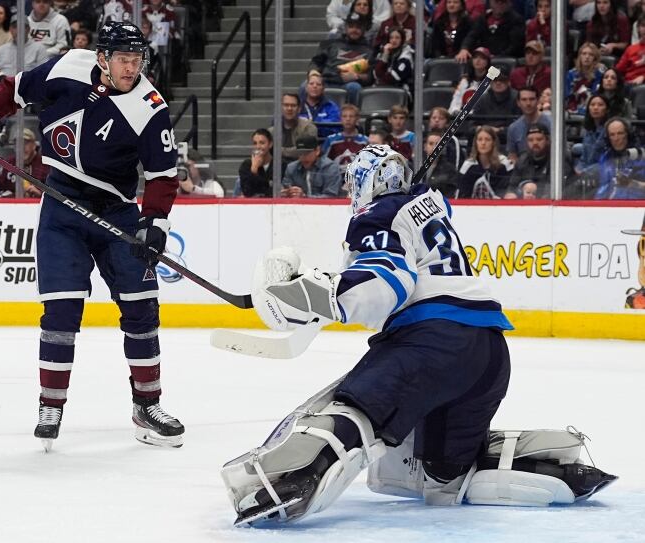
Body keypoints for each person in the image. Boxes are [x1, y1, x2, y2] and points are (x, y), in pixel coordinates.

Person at [221, 143, 617, 525]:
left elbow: (386, 280)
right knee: (441, 476)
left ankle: (286, 483)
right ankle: (552, 468)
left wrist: (315, 292)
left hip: (432, 345)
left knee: (355, 409)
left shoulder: (377, 214)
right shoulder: (428, 207)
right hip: (489, 356)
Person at [0, 22, 185, 448]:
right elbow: (15, 88)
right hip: (62, 206)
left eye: (137, 59)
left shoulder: (150, 105)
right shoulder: (70, 66)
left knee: (141, 310)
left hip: (117, 212)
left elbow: (164, 175)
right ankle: (50, 404)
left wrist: (154, 223)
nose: (133, 67)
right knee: (60, 313)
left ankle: (147, 404)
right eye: (124, 59)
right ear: (101, 58)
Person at [307, 13, 374, 107]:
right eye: (351, 26)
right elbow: (316, 62)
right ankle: (306, 116)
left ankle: (351, 118)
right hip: (325, 81)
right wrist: (313, 73)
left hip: (348, 84)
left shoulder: (369, 50)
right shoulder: (331, 43)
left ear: (363, 29)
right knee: (305, 86)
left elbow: (370, 77)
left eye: (358, 27)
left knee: (354, 87)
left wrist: (357, 76)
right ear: (346, 28)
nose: (354, 30)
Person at [456, 0, 525, 61]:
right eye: (497, 1)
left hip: (505, 60)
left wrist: (497, 57)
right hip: (484, 59)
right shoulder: (483, 19)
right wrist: (464, 48)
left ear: (509, 3)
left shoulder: (516, 20)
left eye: (503, 2)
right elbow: (472, 36)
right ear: (490, 2)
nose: (499, 4)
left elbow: (515, 45)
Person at [594, 117, 645, 199]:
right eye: (612, 135)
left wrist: (632, 183)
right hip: (610, 206)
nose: (616, 138)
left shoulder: (641, 156)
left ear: (628, 134)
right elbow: (602, 188)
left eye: (620, 133)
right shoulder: (605, 158)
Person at [458, 125, 514, 198]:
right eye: (480, 139)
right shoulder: (468, 165)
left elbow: (509, 189)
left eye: (487, 139)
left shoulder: (504, 163)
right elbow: (461, 193)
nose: (483, 143)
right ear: (476, 143)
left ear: (493, 142)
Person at [505, 124, 553, 198]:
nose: (535, 143)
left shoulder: (556, 160)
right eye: (530, 140)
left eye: (539, 139)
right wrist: (511, 194)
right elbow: (512, 186)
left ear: (547, 140)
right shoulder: (522, 160)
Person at [0, 128, 47, 198]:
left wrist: (40, 194)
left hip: (38, 205)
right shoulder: (8, 163)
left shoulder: (45, 164)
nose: (21, 147)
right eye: (18, 144)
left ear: (34, 145)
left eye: (25, 143)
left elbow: (54, 192)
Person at [506, 86, 551, 163]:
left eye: (532, 99)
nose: (528, 103)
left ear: (538, 101)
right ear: (518, 103)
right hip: (523, 170)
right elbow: (512, 155)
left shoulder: (552, 124)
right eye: (524, 100)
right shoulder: (513, 128)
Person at [269, 92, 318, 162]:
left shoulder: (308, 127)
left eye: (293, 105)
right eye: (286, 105)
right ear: (281, 108)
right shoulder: (271, 131)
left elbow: (305, 150)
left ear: (299, 109)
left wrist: (278, 150)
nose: (289, 108)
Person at [322, 103, 368, 174]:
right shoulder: (331, 140)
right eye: (344, 116)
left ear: (357, 119)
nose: (348, 119)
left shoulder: (365, 141)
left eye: (351, 116)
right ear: (340, 119)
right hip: (335, 178)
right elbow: (323, 162)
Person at [239, 128, 282, 197]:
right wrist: (254, 169)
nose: (258, 147)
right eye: (255, 143)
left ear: (270, 144)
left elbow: (275, 192)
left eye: (262, 143)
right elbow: (247, 192)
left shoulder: (280, 164)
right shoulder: (246, 165)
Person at [448, 46, 491, 115]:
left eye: (482, 58)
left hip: (481, 118)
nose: (478, 60)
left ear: (487, 62)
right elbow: (456, 100)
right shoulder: (464, 81)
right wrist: (455, 111)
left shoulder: (491, 82)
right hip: (462, 118)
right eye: (475, 57)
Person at [565, 43, 605, 116]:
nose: (587, 57)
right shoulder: (571, 74)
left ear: (595, 58)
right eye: (584, 54)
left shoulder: (600, 74)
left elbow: (596, 94)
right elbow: (566, 94)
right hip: (571, 109)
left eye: (591, 54)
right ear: (579, 56)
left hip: (592, 110)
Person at [299, 73, 342, 139]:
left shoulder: (331, 106)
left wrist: (310, 124)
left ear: (323, 89)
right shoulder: (297, 105)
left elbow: (335, 128)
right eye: (311, 84)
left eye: (318, 84)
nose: (315, 86)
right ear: (306, 87)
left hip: (324, 142)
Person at [372, 26, 413, 91]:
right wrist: (385, 55)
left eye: (397, 38)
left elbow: (393, 79)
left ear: (402, 40)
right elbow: (376, 74)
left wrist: (381, 77)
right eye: (391, 38)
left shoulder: (406, 55)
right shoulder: (385, 51)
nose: (394, 40)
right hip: (383, 88)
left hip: (400, 90)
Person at [423, 129, 460, 197]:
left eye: (437, 144)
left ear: (443, 148)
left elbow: (451, 194)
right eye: (431, 144)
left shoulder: (449, 170)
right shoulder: (416, 166)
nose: (434, 147)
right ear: (425, 146)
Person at [615, 15, 645, 84]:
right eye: (643, 26)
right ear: (638, 28)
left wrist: (643, 77)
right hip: (628, 84)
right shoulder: (631, 49)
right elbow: (618, 69)